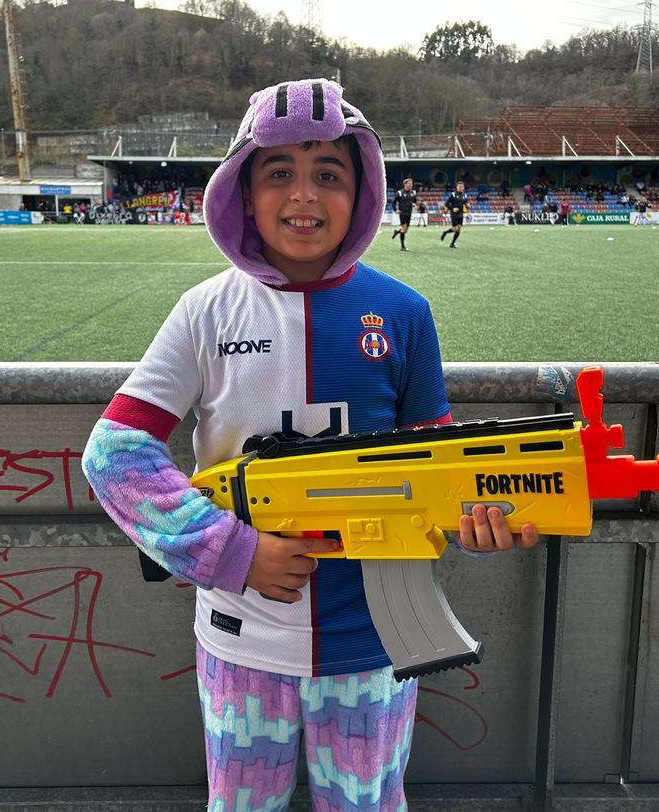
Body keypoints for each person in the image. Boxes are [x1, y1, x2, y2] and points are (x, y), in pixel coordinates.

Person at [81, 79, 538, 809]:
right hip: (241, 641)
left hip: (376, 645)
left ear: (362, 193)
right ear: (242, 191)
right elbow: (113, 453)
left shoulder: (404, 314)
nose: (305, 195)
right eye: (279, 173)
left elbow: (437, 468)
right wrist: (232, 552)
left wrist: (478, 521)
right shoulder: (204, 312)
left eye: (329, 174)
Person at [439, 180, 470, 247]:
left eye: (462, 186)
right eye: (460, 186)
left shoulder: (465, 195)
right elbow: (446, 204)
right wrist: (452, 208)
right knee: (456, 228)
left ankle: (452, 243)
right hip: (454, 214)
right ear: (457, 187)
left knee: (458, 229)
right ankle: (445, 232)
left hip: (461, 213)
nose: (461, 188)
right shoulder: (453, 195)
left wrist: (468, 205)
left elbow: (466, 203)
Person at [391, 176, 417, 251]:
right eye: (410, 183)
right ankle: (402, 247)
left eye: (411, 183)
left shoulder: (413, 192)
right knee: (404, 228)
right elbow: (394, 202)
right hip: (402, 213)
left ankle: (396, 232)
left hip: (409, 212)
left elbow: (414, 201)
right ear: (405, 184)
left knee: (405, 230)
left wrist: (414, 204)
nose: (411, 185)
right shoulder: (400, 193)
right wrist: (396, 210)